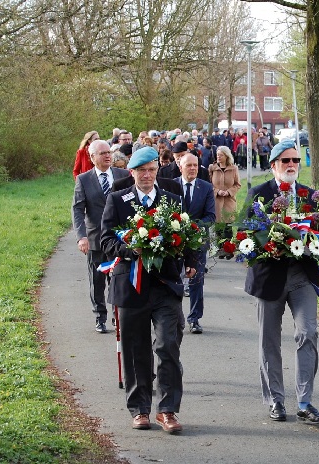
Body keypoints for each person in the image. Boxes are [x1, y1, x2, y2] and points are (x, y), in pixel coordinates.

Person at [100, 146, 197, 433]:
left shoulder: (172, 200)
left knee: (167, 345)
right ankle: (140, 408)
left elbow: (188, 235)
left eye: (151, 170)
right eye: (141, 171)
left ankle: (167, 410)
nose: (146, 175)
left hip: (165, 286)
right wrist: (128, 249)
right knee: (136, 350)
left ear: (157, 171)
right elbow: (105, 240)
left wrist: (191, 262)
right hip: (130, 286)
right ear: (132, 173)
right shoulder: (117, 200)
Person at [243, 139, 319, 424]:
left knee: (308, 333)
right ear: (273, 166)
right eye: (285, 161)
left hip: (302, 276)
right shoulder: (258, 194)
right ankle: (275, 401)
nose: (291, 166)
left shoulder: (310, 195)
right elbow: (244, 234)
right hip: (269, 277)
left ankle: (305, 401)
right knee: (269, 340)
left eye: (294, 161)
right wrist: (268, 244)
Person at [72, 140, 130, 333]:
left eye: (109, 152)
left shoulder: (123, 175)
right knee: (97, 280)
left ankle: (117, 315)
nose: (107, 156)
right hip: (95, 239)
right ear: (92, 157)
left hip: (119, 239)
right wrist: (82, 236)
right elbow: (78, 210)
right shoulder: (84, 179)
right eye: (102, 153)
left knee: (118, 278)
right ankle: (100, 316)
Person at [174, 154, 215, 334]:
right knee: (174, 279)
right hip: (175, 240)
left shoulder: (205, 187)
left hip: (197, 240)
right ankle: (173, 317)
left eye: (195, 165)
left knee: (196, 280)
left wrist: (192, 227)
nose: (193, 168)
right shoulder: (171, 185)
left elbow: (211, 216)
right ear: (180, 167)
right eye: (189, 165)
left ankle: (195, 318)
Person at [208, 146, 241, 259]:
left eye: (221, 155)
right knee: (218, 227)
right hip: (216, 200)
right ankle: (220, 249)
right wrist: (217, 191)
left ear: (226, 156)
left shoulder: (233, 168)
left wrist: (229, 192)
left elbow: (237, 184)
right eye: (217, 155)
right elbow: (209, 185)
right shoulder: (212, 168)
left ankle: (229, 250)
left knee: (228, 227)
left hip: (229, 201)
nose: (218, 157)